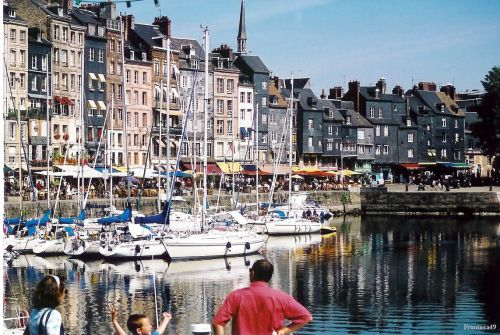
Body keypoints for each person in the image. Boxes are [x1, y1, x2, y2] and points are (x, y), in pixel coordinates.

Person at [213, 260, 312, 335]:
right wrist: (284, 331)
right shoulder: (282, 298)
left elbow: (218, 322)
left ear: (252, 273)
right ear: (269, 277)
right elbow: (306, 317)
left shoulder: (236, 296)